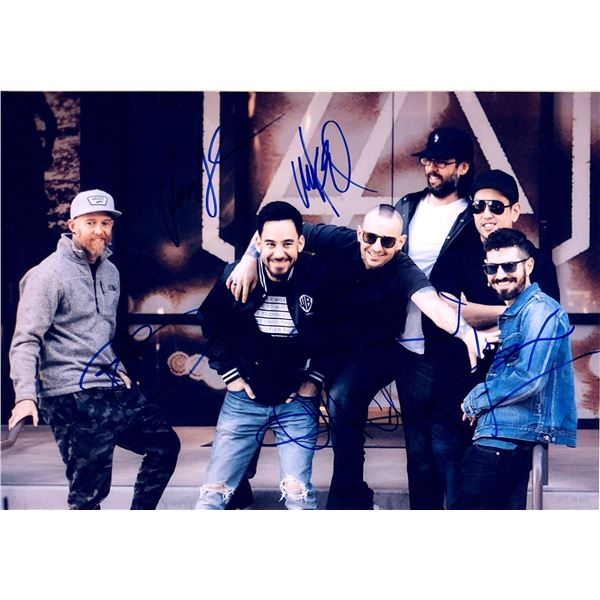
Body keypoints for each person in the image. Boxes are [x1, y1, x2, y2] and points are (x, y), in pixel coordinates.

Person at [226, 203, 486, 509]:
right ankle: (237, 485)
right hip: (320, 338)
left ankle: (349, 500)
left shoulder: (403, 268)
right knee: (261, 381)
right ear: (360, 232)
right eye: (370, 238)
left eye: (387, 241)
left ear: (400, 242)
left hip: (370, 350)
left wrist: (467, 334)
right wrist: (248, 258)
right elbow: (276, 230)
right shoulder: (339, 239)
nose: (376, 247)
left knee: (342, 400)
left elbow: (433, 306)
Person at [8, 189, 181, 510]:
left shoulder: (110, 271)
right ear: (72, 225)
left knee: (165, 445)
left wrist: (119, 370)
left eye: (106, 222)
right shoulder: (47, 275)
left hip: (111, 386)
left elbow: (99, 333)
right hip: (70, 395)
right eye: (90, 223)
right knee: (89, 492)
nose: (100, 230)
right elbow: (25, 340)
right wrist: (25, 396)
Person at [195, 201, 327, 510]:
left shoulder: (318, 277)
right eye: (270, 244)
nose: (279, 253)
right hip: (244, 401)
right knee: (212, 495)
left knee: (298, 496)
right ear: (258, 243)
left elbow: (336, 333)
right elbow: (211, 325)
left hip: (296, 404)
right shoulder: (237, 277)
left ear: (301, 243)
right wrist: (230, 375)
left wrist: (314, 380)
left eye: (287, 243)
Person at [393, 126, 483, 509]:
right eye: (428, 160)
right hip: (404, 343)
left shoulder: (473, 216)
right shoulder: (406, 207)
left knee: (449, 445)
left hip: (449, 345)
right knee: (417, 451)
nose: (431, 168)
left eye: (442, 162)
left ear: (462, 166)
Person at [458, 228, 577, 509]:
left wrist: (475, 400)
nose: (500, 274)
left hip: (507, 438)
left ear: (529, 265)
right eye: (492, 268)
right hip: (503, 435)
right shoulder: (518, 313)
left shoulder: (540, 310)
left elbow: (529, 378)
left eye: (509, 266)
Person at [451, 169, 560, 331]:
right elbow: (447, 313)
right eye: (478, 206)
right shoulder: (454, 258)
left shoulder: (540, 264)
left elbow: (544, 323)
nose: (486, 215)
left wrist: (475, 316)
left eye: (496, 206)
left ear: (514, 211)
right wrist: (519, 311)